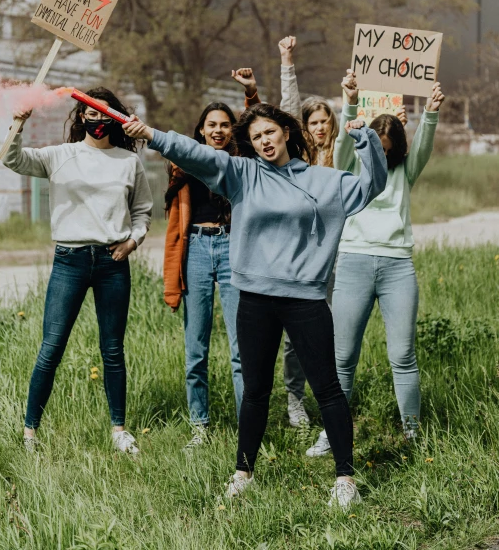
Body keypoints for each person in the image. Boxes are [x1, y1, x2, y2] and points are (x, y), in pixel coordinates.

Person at [123, 102, 387, 508]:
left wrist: (364, 138)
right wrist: (152, 135)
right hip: (256, 299)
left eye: (270, 132)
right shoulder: (242, 174)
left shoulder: (325, 180)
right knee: (256, 392)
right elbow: (196, 154)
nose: (264, 141)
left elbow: (373, 185)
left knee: (328, 390)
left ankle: (345, 478)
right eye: (256, 136)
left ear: (286, 132)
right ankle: (243, 471)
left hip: (306, 299)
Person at [2, 88, 153, 454]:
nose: (98, 120)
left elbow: (143, 210)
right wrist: (19, 123)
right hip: (69, 261)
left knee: (113, 350)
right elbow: (11, 159)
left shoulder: (128, 162)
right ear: (80, 116)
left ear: (115, 117)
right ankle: (29, 434)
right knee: (51, 348)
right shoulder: (60, 156)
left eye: (105, 114)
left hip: (112, 264)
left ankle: (119, 431)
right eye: (91, 113)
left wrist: (132, 241)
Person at [306, 70, 445, 457]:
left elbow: (424, 145)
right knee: (343, 358)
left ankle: (412, 434)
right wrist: (350, 98)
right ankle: (330, 435)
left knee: (403, 355)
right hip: (353, 263)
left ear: (397, 149)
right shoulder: (352, 167)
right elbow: (344, 147)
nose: (380, 156)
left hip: (398, 265)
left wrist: (430, 112)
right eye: (375, 148)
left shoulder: (406, 170)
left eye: (387, 150)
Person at [163, 69, 259, 448]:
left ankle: (246, 429)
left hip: (233, 247)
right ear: (201, 130)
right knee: (196, 348)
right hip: (198, 250)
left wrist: (250, 93)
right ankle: (199, 428)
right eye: (211, 125)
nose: (218, 130)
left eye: (224, 125)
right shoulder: (185, 165)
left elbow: (258, 125)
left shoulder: (241, 163)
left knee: (241, 349)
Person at [277, 35, 340, 429]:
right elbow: (286, 112)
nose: (318, 127)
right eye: (312, 122)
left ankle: (329, 394)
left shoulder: (341, 157)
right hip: (297, 254)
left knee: (329, 327)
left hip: (334, 255)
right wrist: (287, 63)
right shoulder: (297, 156)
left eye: (323, 121)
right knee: (292, 335)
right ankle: (294, 398)